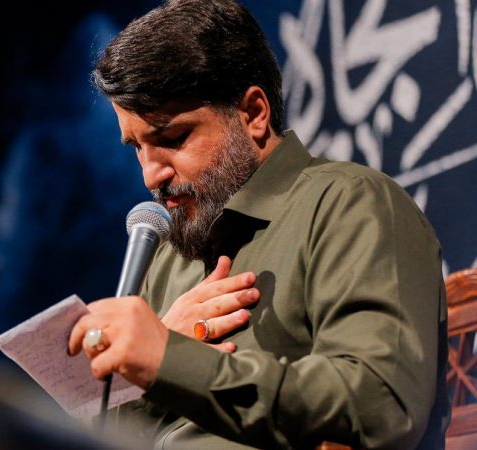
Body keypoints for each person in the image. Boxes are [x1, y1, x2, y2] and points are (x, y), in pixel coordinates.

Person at [67, 0, 450, 448]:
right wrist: (149, 357)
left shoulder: (350, 204)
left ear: (253, 114)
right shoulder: (170, 253)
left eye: (172, 138)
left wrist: (171, 359)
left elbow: (379, 405)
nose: (151, 175)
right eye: (137, 148)